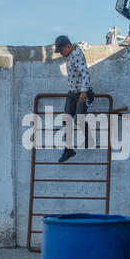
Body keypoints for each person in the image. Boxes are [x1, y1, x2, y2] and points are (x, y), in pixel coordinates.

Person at [54, 35, 94, 163]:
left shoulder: (76, 56)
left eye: (61, 50)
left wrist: (84, 92)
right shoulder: (73, 51)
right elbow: (81, 45)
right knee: (66, 120)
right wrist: (83, 44)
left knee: (79, 120)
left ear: (68, 46)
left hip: (81, 94)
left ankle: (89, 139)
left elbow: (86, 73)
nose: (60, 53)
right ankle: (69, 149)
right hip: (71, 94)